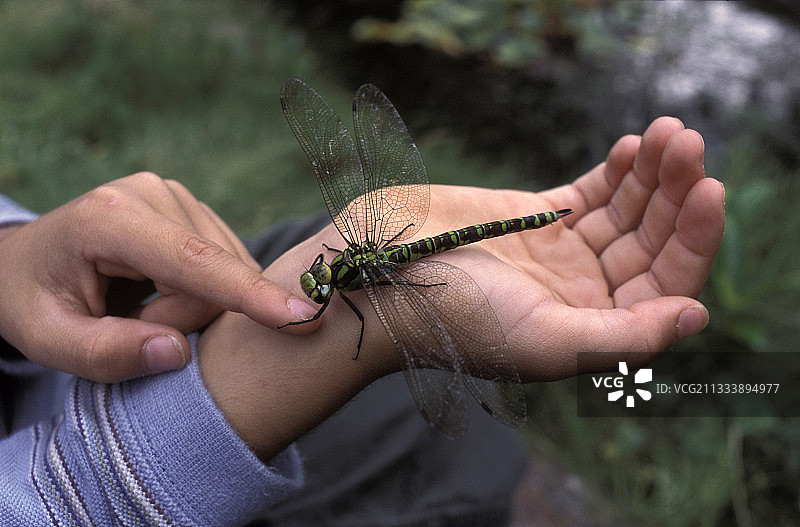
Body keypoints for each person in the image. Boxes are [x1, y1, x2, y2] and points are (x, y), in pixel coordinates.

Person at [0, 117, 724, 525]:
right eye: (320, 284)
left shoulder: (343, 278)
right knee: (453, 471)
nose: (316, 285)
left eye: (320, 281)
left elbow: (347, 295)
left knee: (318, 261)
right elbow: (363, 312)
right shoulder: (347, 279)